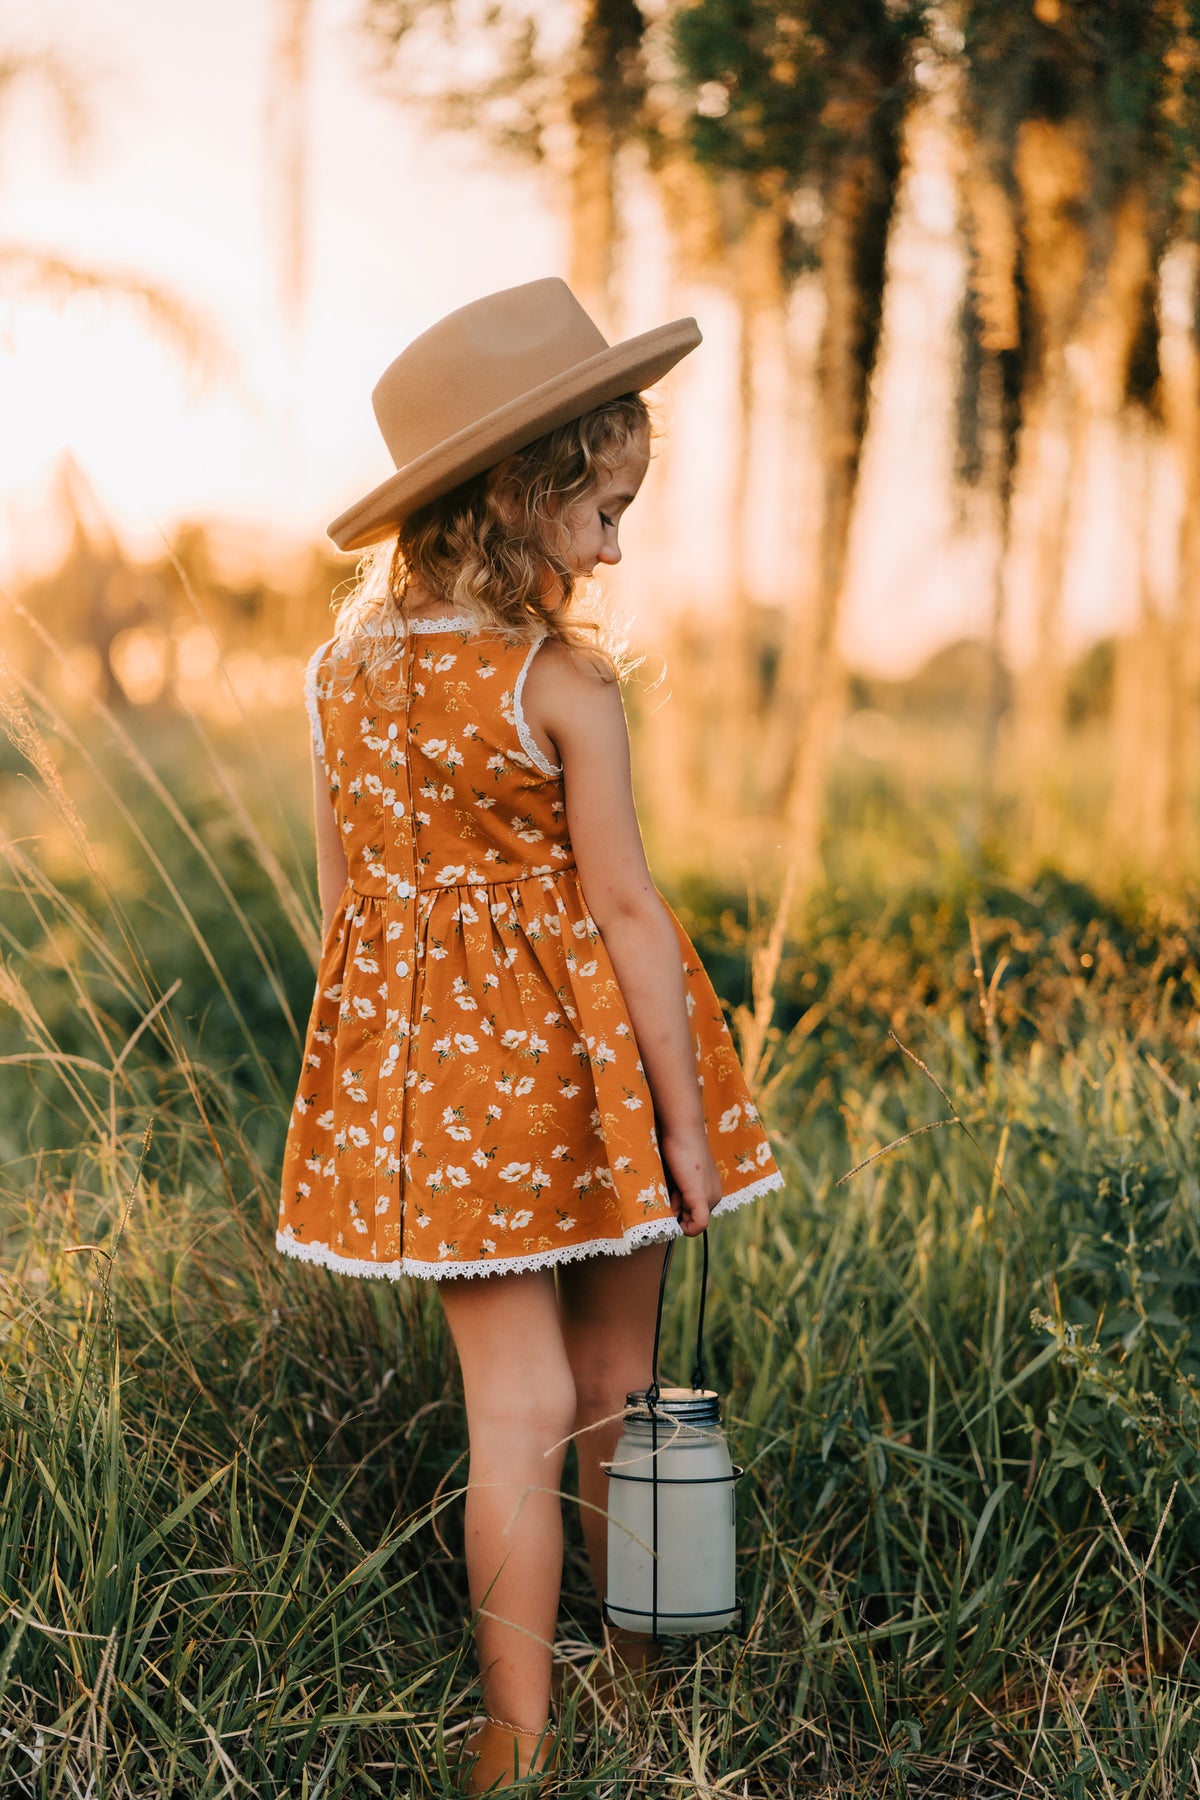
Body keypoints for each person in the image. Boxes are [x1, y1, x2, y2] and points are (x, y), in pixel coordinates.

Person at [276, 278, 783, 1793]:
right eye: (605, 510)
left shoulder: (339, 679)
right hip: (600, 1068)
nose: (617, 547)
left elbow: (345, 914)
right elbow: (624, 909)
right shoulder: (562, 680)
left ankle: (517, 1734)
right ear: (521, 493)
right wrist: (687, 1126)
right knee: (615, 1382)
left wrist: (404, 1083)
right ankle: (628, 1683)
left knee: (518, 1409)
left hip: (437, 1085)